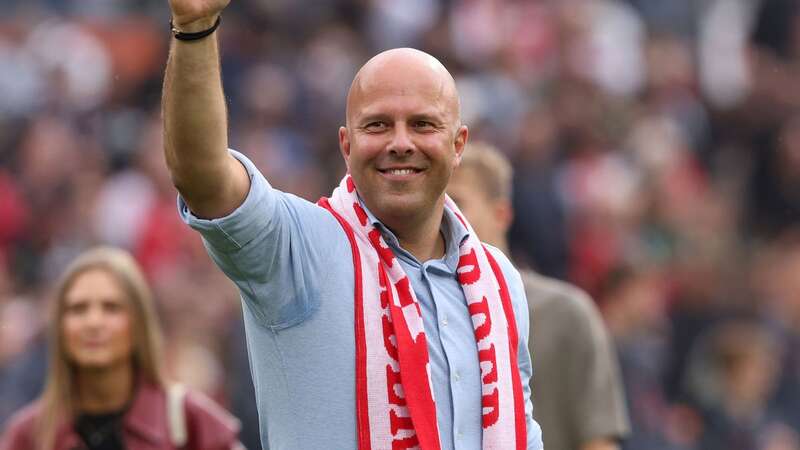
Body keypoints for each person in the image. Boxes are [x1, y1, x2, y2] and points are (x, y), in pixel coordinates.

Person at [162, 1, 543, 449]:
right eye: (378, 125)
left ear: (458, 144)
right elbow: (201, 174)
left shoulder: (500, 283)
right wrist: (195, 28)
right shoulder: (297, 251)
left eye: (423, 124)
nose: (400, 143)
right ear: (346, 144)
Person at [447, 141, 630, 450]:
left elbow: (599, 440)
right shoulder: (424, 312)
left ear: (501, 213)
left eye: (458, 202)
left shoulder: (566, 312)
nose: (445, 215)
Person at [0, 247, 243, 450]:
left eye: (111, 307)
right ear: (60, 327)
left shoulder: (193, 423)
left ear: (140, 322)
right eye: (78, 309)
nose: (93, 322)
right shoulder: (28, 436)